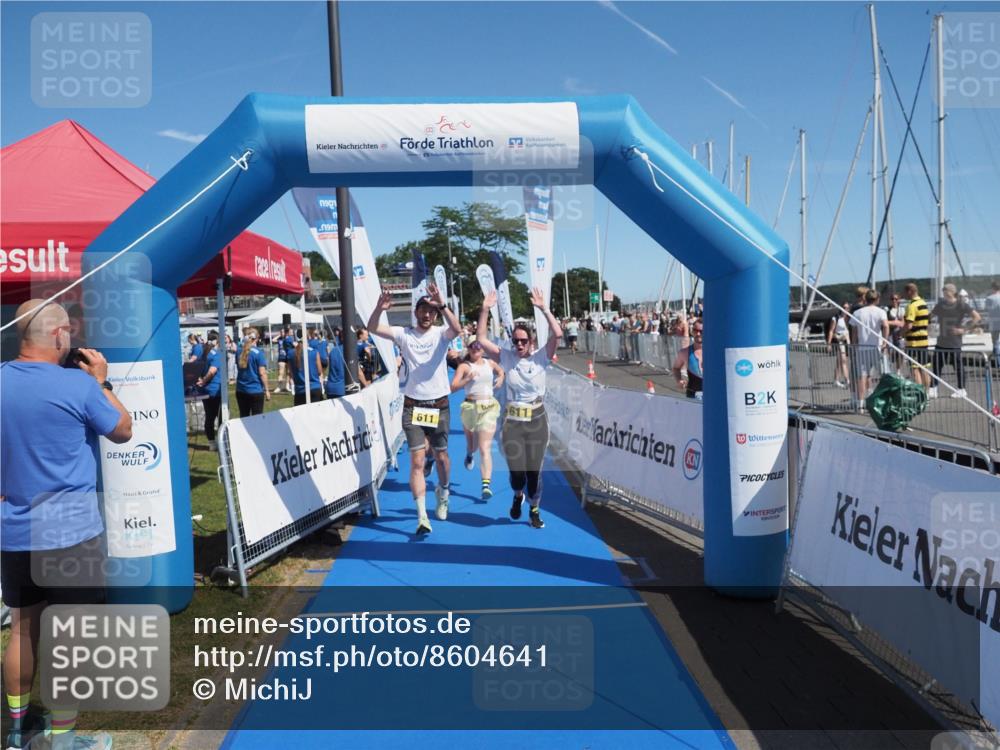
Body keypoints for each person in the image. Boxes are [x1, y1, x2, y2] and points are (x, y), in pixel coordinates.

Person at [1, 299, 131, 750]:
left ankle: (17, 732)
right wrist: (101, 380)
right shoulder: (78, 385)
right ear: (58, 335)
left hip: (15, 529)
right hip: (71, 534)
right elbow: (123, 428)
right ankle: (63, 739)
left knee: (22, 629)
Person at [368, 283, 461, 534]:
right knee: (417, 461)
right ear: (416, 312)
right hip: (413, 407)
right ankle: (422, 516)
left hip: (439, 405)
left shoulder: (441, 334)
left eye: (432, 311)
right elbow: (373, 327)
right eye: (424, 310)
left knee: (441, 457)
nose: (428, 315)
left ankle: (443, 492)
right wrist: (379, 308)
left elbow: (457, 329)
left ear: (436, 314)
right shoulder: (404, 334)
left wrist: (442, 301)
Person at [477, 287, 562, 530]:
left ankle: (534, 509)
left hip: (536, 419)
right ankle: (517, 496)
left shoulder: (541, 356)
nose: (519, 345)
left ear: (531, 341)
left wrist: (544, 308)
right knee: (518, 474)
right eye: (516, 341)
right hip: (513, 420)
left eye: (524, 341)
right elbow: (482, 339)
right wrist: (484, 309)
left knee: (534, 472)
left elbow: (557, 334)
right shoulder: (505, 356)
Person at [450, 340, 504, 499]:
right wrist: (467, 379)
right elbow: (452, 387)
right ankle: (469, 453)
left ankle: (485, 485)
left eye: (479, 346)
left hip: (488, 407)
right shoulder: (464, 366)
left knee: (484, 447)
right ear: (468, 348)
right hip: (470, 407)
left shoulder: (490, 363)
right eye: (473, 346)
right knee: (472, 446)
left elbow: (501, 371)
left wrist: (500, 378)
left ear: (482, 349)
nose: (476, 349)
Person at [930, 283, 980, 399]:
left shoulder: (962, 305)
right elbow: (929, 316)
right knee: (937, 365)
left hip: (954, 341)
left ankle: (961, 389)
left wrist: (964, 330)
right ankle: (933, 389)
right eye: (943, 291)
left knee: (957, 366)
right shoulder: (940, 305)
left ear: (952, 292)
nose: (943, 293)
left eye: (945, 291)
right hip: (941, 340)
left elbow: (977, 317)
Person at [849, 288, 889, 408]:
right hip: (877, 347)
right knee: (884, 375)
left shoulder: (858, 313)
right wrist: (885, 341)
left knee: (862, 376)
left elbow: (854, 332)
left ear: (865, 299)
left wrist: (854, 344)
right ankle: (885, 400)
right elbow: (886, 326)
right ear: (877, 299)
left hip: (862, 348)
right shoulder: (881, 312)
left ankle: (860, 403)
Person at [900, 282, 931, 392]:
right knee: (925, 368)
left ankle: (919, 393)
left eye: (905, 292)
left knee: (915, 369)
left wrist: (901, 333)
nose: (904, 294)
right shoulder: (923, 303)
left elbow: (909, 325)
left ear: (910, 291)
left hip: (914, 342)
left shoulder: (911, 306)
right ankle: (927, 393)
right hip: (924, 340)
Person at [195, 331, 223, 450]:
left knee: (209, 416)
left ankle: (212, 443)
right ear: (217, 341)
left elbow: (197, 368)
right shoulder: (216, 354)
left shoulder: (203, 353)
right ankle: (222, 443)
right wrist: (204, 380)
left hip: (205, 391)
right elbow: (212, 371)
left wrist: (200, 380)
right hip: (215, 390)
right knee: (221, 417)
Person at [235, 329, 270, 418]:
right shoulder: (258, 353)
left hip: (241, 390)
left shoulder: (239, 351)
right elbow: (262, 373)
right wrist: (267, 390)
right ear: (257, 339)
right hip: (255, 390)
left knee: (244, 418)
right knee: (257, 420)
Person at [671, 319, 704, 399]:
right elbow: (676, 368)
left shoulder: (715, 351)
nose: (698, 334)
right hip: (692, 396)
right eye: (695, 330)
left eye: (701, 331)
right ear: (692, 331)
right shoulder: (684, 352)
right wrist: (679, 380)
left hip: (713, 396)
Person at [290, 335, 324, 406]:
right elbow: (319, 371)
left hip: (300, 390)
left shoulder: (291, 354)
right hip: (314, 388)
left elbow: (291, 373)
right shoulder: (314, 352)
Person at [826, 302, 851, 388]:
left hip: (847, 341)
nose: (846, 309)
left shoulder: (848, 318)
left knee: (839, 362)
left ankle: (835, 380)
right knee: (843, 360)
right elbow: (831, 331)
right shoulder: (836, 318)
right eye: (844, 307)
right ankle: (847, 380)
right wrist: (829, 344)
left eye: (847, 308)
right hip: (839, 341)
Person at [986, 280, 1000, 359]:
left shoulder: (989, 298)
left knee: (995, 344)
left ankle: (997, 363)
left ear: (993, 288)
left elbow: (987, 310)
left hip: (993, 324)